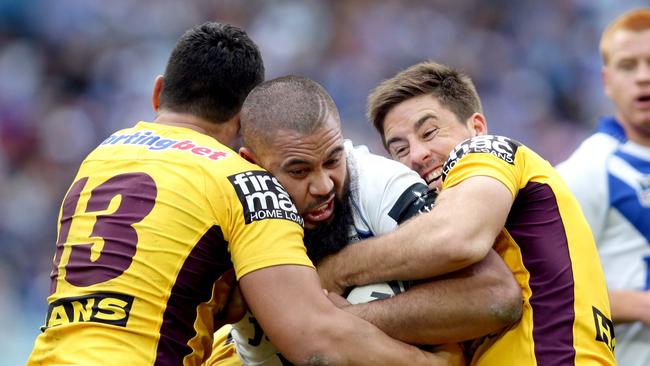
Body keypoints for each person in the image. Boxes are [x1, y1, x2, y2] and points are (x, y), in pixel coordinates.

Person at [26, 23, 451, 366]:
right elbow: (314, 339)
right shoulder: (244, 181)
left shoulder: (100, 157)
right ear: (249, 119)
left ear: (159, 93)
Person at [205, 75, 523, 365]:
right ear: (252, 163)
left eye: (332, 160)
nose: (323, 186)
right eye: (299, 171)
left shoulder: (376, 182)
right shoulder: (227, 205)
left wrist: (346, 311)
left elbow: (496, 295)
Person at [315, 61, 618, 365]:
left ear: (476, 127)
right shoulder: (434, 240)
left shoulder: (487, 149)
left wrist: (338, 271)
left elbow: (455, 238)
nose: (417, 155)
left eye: (429, 132)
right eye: (400, 150)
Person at [555, 8, 650, 366]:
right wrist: (640, 305)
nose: (644, 77)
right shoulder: (588, 170)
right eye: (629, 66)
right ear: (607, 81)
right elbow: (543, 286)